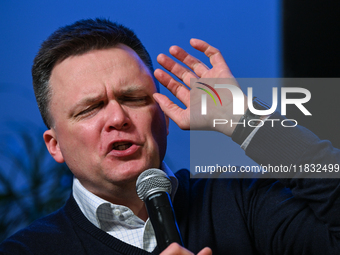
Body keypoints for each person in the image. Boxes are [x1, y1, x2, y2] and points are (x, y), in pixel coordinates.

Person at [1, 18, 340, 255]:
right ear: (55, 145)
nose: (118, 117)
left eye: (134, 98)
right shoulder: (27, 250)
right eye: (90, 108)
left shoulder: (241, 203)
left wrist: (244, 120)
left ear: (163, 116)